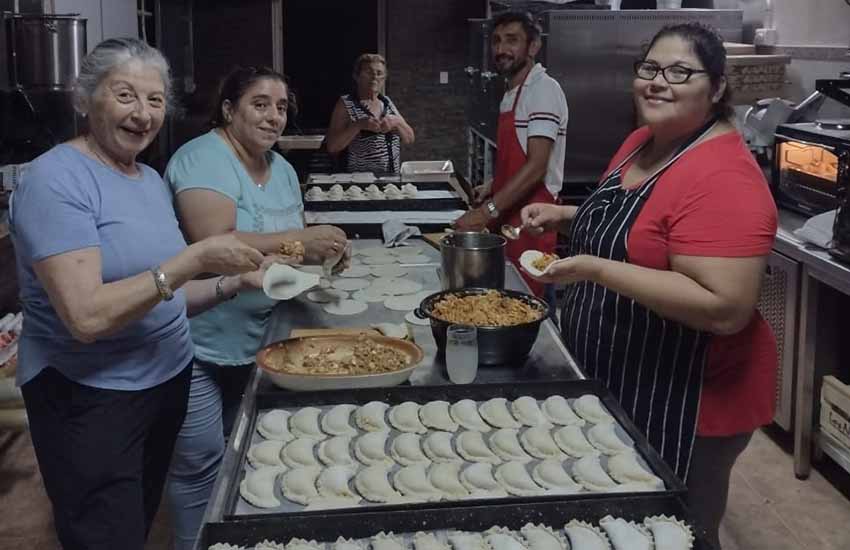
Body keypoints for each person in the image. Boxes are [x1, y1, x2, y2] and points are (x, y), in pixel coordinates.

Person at [8, 38, 280, 550]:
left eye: (155, 101)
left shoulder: (148, 180)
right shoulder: (55, 179)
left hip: (164, 383)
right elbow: (86, 317)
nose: (143, 114)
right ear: (85, 98)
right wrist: (194, 259)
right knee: (105, 535)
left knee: (137, 519)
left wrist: (230, 283)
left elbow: (162, 294)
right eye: (126, 95)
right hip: (91, 400)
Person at [521, 23, 777, 549]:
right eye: (650, 69)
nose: (658, 83)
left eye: (680, 72)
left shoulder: (724, 176)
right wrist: (565, 215)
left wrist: (593, 269)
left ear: (718, 88)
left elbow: (724, 307)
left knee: (677, 529)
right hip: (621, 372)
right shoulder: (645, 141)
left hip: (689, 397)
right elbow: (638, 233)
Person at [164, 65, 349, 550]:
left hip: (267, 343)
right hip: (201, 346)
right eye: (260, 104)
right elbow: (214, 242)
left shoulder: (283, 169)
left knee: (252, 457)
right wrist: (300, 240)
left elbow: (287, 248)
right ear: (229, 109)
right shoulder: (203, 158)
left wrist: (324, 251)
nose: (273, 117)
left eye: (282, 107)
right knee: (201, 463)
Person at [454, 11, 568, 297]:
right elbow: (519, 156)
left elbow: (537, 166)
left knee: (530, 305)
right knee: (507, 299)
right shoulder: (512, 93)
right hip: (509, 219)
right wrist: (493, 184)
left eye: (512, 41)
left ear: (533, 46)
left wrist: (486, 211)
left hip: (531, 223)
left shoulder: (542, 89)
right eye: (496, 41)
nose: (501, 49)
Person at [325, 53, 415, 173]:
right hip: (359, 184)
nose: (374, 77)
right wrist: (358, 125)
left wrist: (397, 122)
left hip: (391, 183)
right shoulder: (346, 103)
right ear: (356, 76)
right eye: (368, 72)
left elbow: (409, 139)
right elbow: (332, 147)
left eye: (379, 73)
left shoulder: (387, 102)